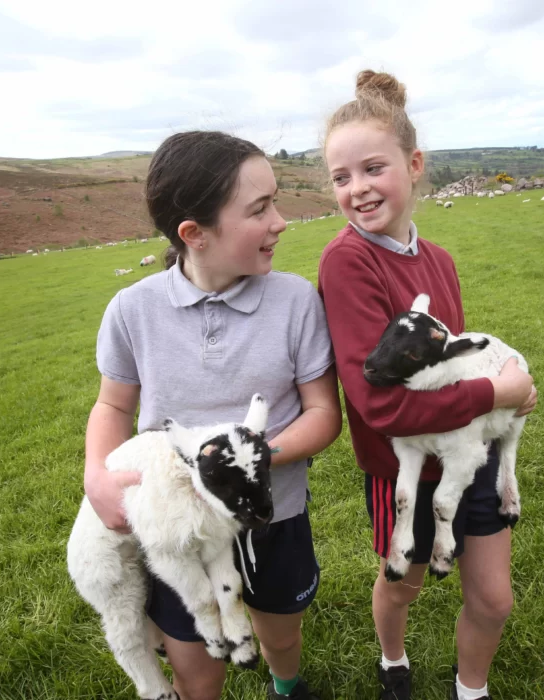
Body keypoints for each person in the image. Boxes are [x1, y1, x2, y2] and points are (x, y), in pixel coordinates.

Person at [85, 131, 342, 700]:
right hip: (178, 529)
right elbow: (112, 404)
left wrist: (251, 462)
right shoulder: (132, 310)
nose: (280, 221)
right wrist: (96, 475)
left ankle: (287, 685)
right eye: (259, 209)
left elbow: (324, 412)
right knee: (197, 664)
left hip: (271, 514)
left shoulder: (296, 301)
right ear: (194, 235)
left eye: (275, 201)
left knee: (279, 633)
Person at [317, 71, 538, 700]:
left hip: (469, 454)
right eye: (341, 177)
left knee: (494, 599)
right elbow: (376, 400)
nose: (357, 189)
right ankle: (394, 661)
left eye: (373, 168)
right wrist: (496, 395)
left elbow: (458, 365)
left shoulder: (438, 259)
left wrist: (508, 388)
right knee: (403, 584)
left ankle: (472, 690)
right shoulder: (347, 261)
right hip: (404, 465)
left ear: (413, 166)